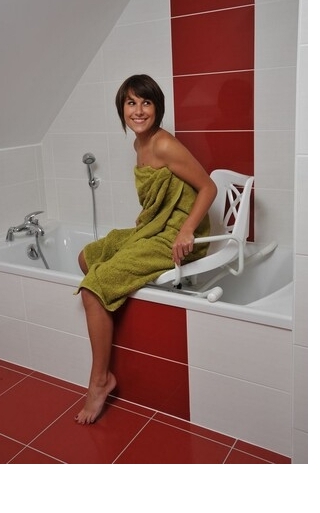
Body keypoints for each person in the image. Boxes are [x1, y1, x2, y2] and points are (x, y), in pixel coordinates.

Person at [74, 74, 217, 424]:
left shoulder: (164, 144)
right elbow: (162, 193)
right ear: (122, 109)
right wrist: (149, 216)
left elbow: (208, 188)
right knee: (87, 257)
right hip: (156, 226)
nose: (138, 111)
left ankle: (100, 381)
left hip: (177, 235)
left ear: (158, 108)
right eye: (131, 103)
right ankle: (115, 310)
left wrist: (186, 230)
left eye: (146, 103)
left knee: (92, 289)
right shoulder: (139, 145)